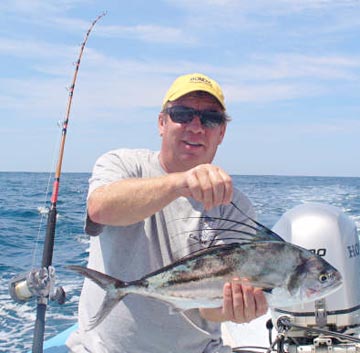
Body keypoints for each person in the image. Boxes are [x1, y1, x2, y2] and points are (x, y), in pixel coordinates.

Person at [67, 73, 268, 353]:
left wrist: (235, 308)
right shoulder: (123, 164)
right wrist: (180, 183)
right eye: (183, 114)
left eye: (211, 119)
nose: (196, 127)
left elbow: (209, 309)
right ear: (162, 123)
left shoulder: (235, 206)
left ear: (222, 132)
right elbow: (100, 209)